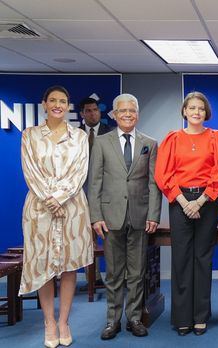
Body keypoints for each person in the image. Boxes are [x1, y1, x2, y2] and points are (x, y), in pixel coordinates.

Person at [20, 85, 93, 348]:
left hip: (72, 208)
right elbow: (30, 171)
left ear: (68, 106)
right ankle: (49, 322)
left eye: (62, 101)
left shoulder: (79, 137)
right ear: (44, 104)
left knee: (69, 265)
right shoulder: (30, 135)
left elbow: (79, 172)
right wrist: (50, 200)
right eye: (53, 100)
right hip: (40, 208)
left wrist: (60, 198)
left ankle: (64, 321)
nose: (58, 105)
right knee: (44, 267)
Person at [155, 92, 218, 336]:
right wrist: (183, 201)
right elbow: (163, 174)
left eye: (200, 108)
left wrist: (199, 201)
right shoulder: (172, 139)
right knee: (181, 259)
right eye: (192, 108)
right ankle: (182, 318)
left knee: (202, 258)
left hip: (207, 201)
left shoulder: (216, 138)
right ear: (184, 112)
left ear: (206, 113)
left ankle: (200, 316)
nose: (196, 112)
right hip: (179, 201)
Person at [89, 93, 162, 340]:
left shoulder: (149, 143)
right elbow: (95, 181)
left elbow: (154, 182)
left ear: (137, 114)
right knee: (113, 273)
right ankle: (112, 321)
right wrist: (95, 216)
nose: (128, 114)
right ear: (115, 114)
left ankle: (134, 318)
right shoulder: (101, 142)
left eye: (132, 110)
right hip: (110, 217)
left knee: (137, 271)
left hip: (140, 216)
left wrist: (154, 214)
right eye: (123, 111)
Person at [79, 96, 113, 290]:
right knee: (87, 240)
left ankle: (115, 276)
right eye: (88, 111)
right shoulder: (75, 136)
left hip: (107, 194)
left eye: (95, 110)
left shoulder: (111, 133)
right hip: (82, 194)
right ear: (82, 114)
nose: (93, 113)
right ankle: (93, 278)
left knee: (110, 238)